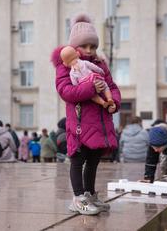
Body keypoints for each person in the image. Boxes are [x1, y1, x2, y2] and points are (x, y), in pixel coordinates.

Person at [51, 13, 121, 215]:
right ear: (74, 47)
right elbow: (66, 92)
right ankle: (78, 198)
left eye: (93, 47)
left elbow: (112, 86)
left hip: (99, 122)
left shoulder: (100, 63)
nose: (89, 51)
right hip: (80, 122)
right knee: (77, 159)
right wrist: (90, 86)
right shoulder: (66, 65)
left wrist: (113, 102)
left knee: (93, 160)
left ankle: (89, 194)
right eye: (84, 47)